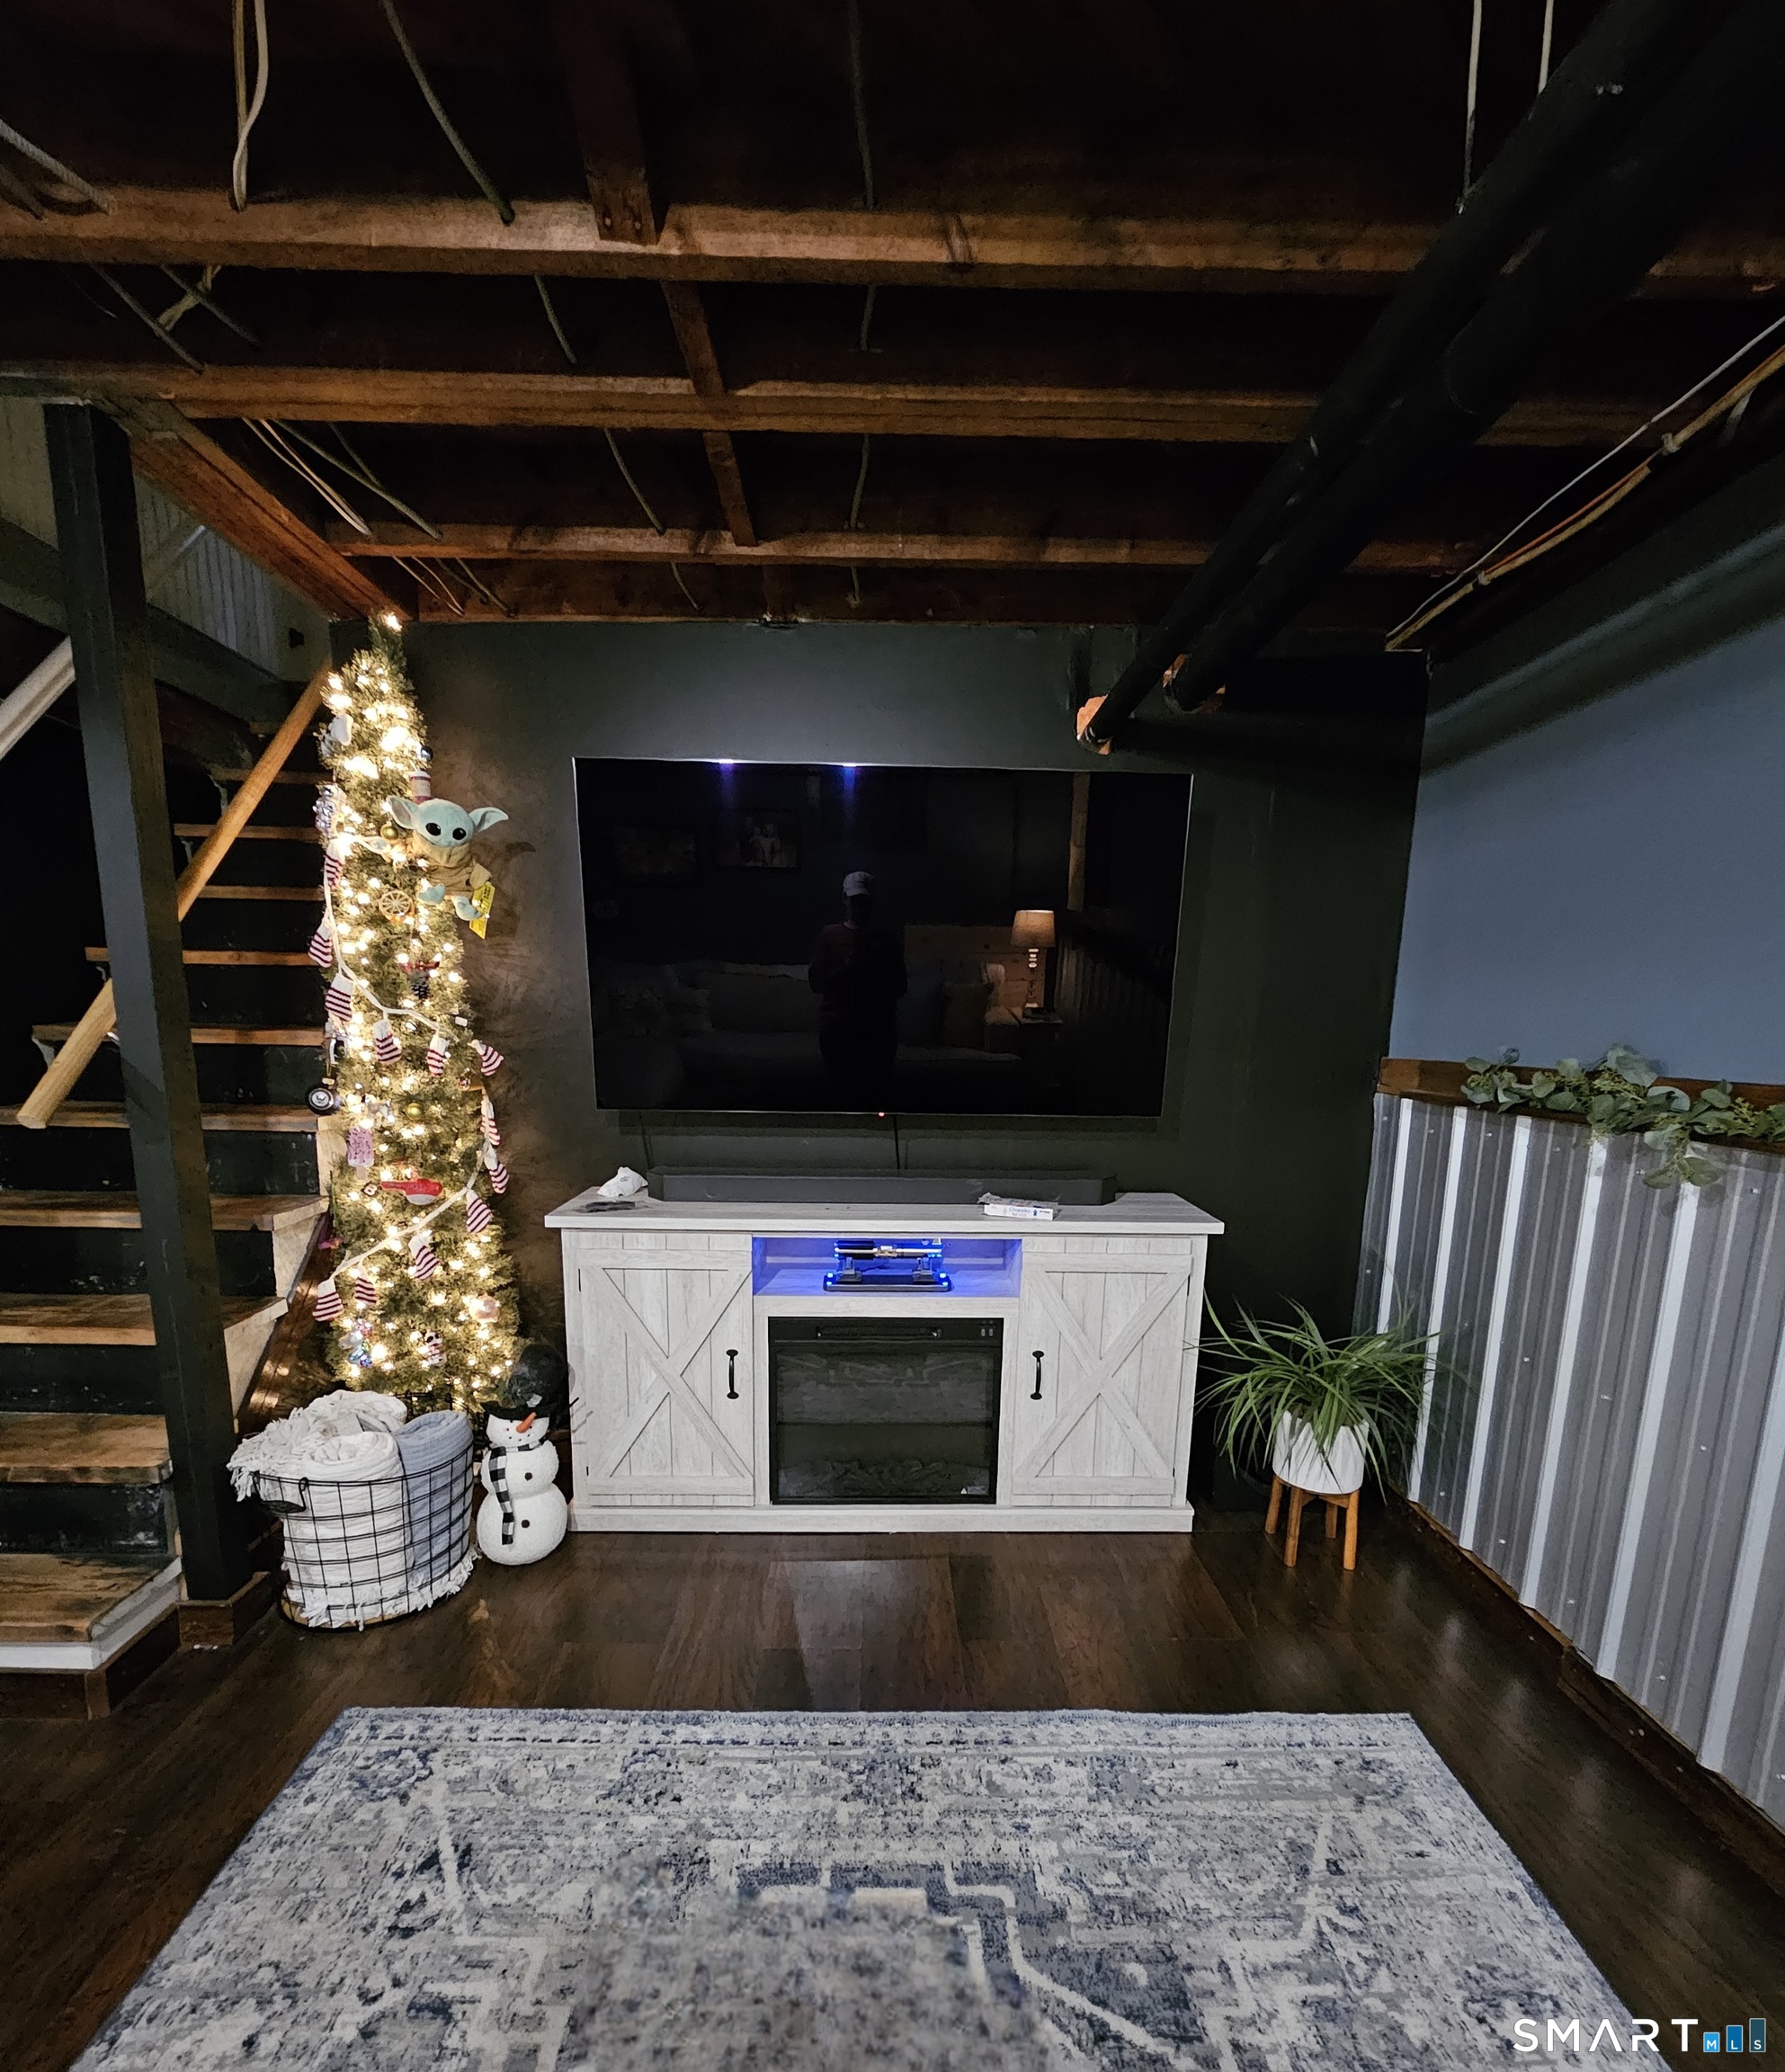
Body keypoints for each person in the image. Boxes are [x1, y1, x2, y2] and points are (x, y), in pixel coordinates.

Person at [808, 870, 906, 1110]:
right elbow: (816, 983)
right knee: (840, 1093)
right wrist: (847, 969)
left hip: (877, 1030)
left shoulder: (886, 941)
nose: (859, 907)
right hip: (839, 1028)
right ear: (845, 899)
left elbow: (900, 986)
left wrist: (874, 970)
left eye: (864, 901)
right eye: (855, 901)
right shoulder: (829, 936)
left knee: (875, 1095)